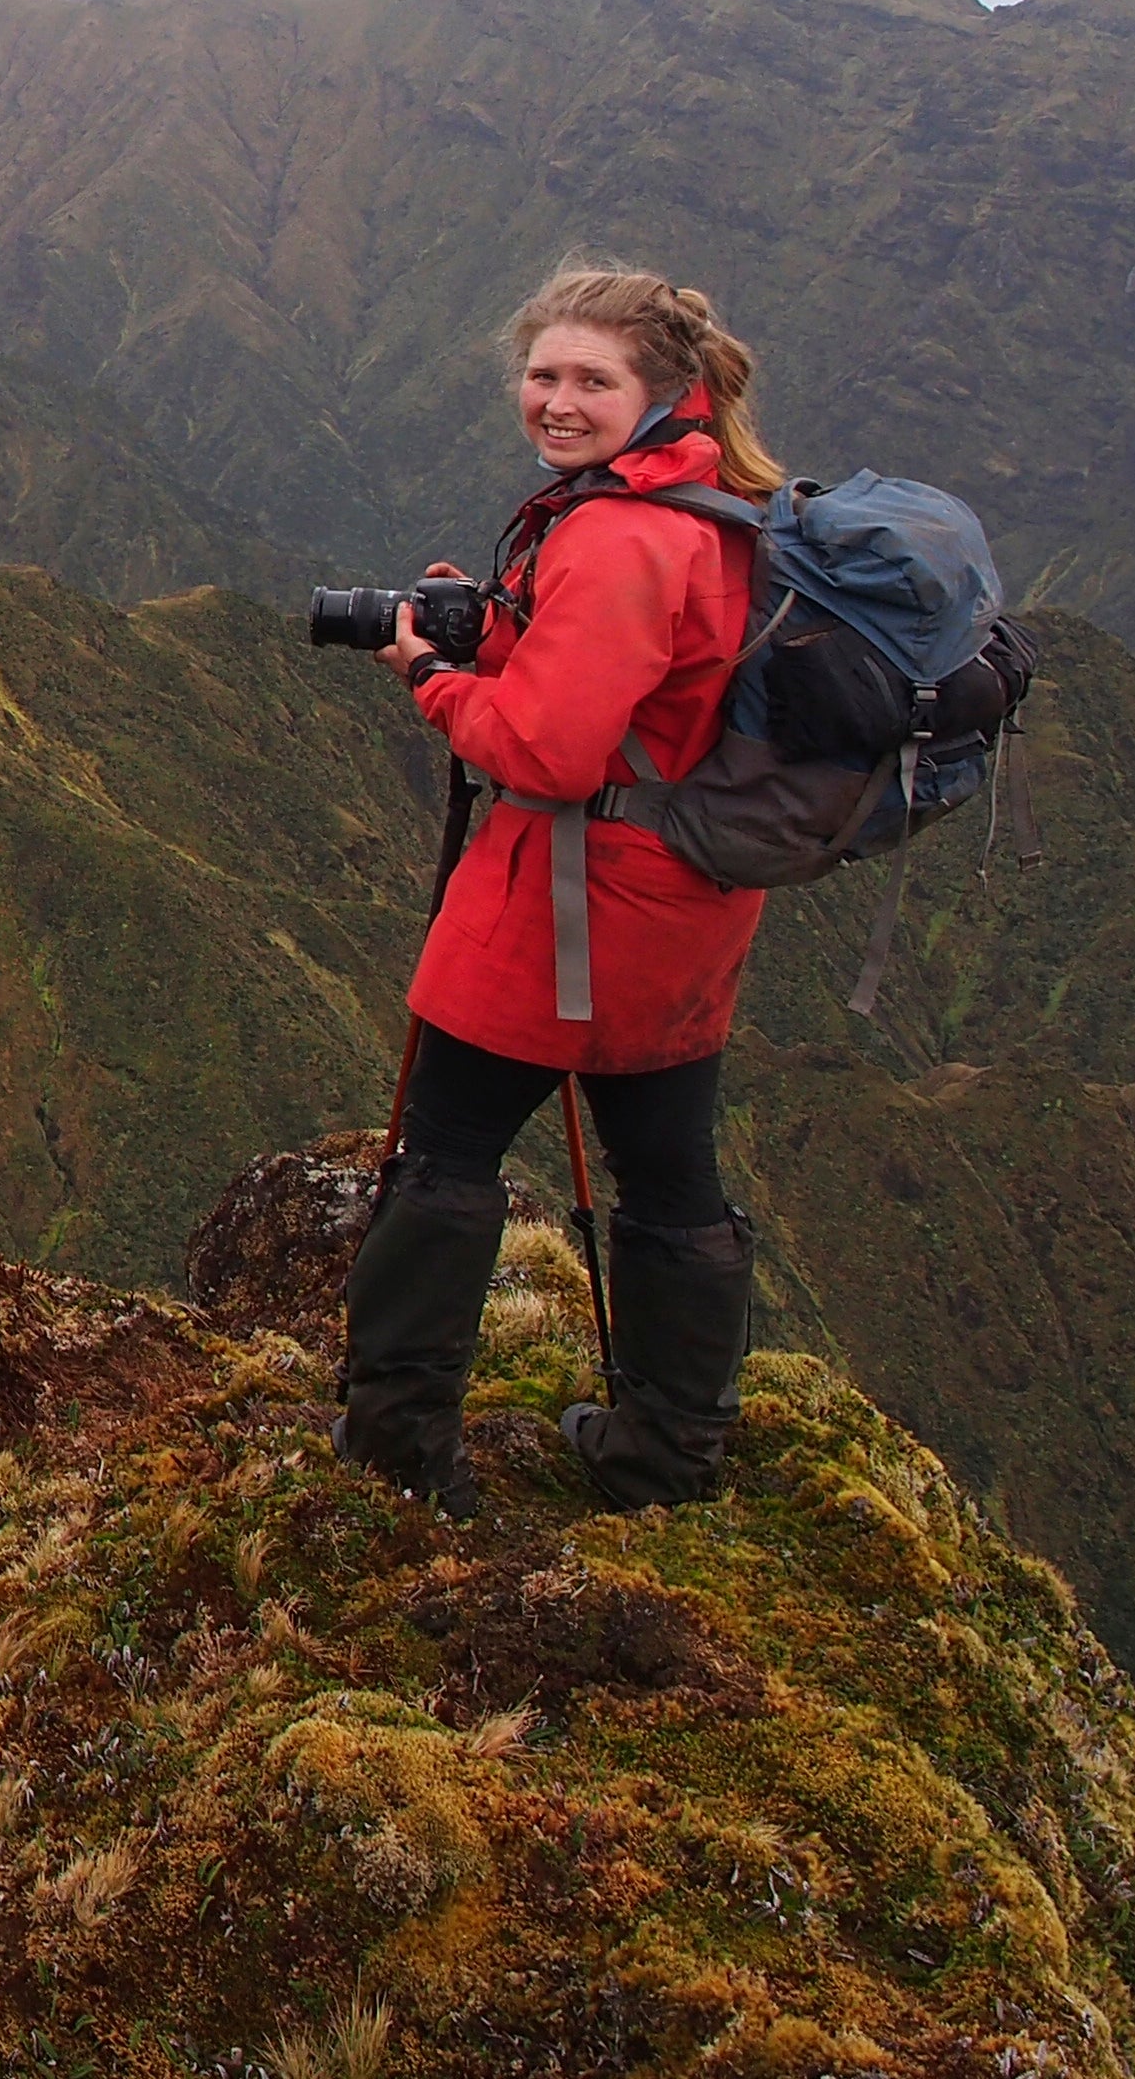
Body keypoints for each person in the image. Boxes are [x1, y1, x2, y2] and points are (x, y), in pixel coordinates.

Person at [338, 264, 782, 1520]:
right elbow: (646, 695)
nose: (560, 401)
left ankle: (398, 1452)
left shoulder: (623, 534)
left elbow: (547, 751)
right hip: (684, 903)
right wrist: (508, 636)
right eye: (544, 375)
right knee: (670, 1172)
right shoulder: (715, 506)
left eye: (594, 380)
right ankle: (667, 1453)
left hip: (571, 906)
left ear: (662, 390)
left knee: (445, 1154)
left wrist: (432, 675)